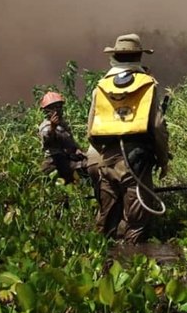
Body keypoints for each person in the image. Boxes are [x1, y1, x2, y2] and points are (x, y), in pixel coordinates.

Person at [87, 33, 170, 244]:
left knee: (107, 220)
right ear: (138, 56)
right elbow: (158, 127)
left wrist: (105, 153)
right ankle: (132, 265)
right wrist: (162, 160)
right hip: (136, 161)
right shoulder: (147, 84)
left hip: (107, 159)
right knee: (136, 223)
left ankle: (101, 268)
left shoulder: (101, 86)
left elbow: (91, 130)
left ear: (115, 56)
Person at [38, 91, 86, 184]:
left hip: (69, 157)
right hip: (55, 160)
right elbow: (47, 139)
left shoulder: (63, 124)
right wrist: (52, 128)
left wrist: (79, 150)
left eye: (59, 106)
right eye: (53, 108)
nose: (57, 110)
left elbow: (70, 141)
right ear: (46, 111)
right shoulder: (45, 126)